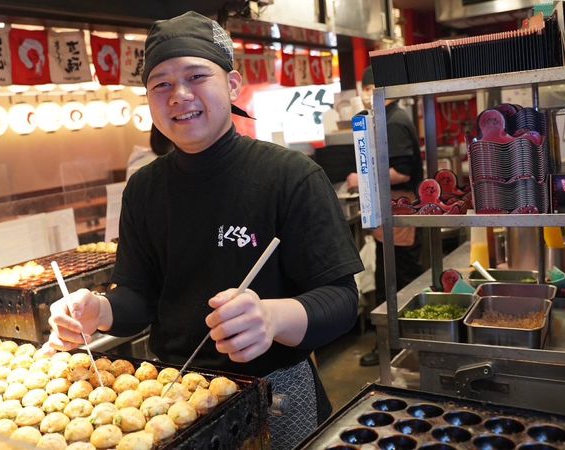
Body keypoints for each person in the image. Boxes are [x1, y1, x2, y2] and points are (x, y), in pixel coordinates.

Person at [47, 11, 363, 449]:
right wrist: (98, 311)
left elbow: (343, 300)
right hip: (175, 391)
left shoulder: (290, 176)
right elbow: (140, 297)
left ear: (232, 85)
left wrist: (271, 317)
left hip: (276, 389)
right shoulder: (143, 189)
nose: (179, 95)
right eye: (160, 84)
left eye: (196, 76)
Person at [347, 66, 424, 366]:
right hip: (394, 211)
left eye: (366, 89)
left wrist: (361, 178)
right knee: (389, 276)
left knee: (397, 279)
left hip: (399, 210)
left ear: (373, 88)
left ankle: (399, 346)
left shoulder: (393, 121)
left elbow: (402, 171)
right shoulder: (390, 117)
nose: (364, 95)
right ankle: (396, 344)